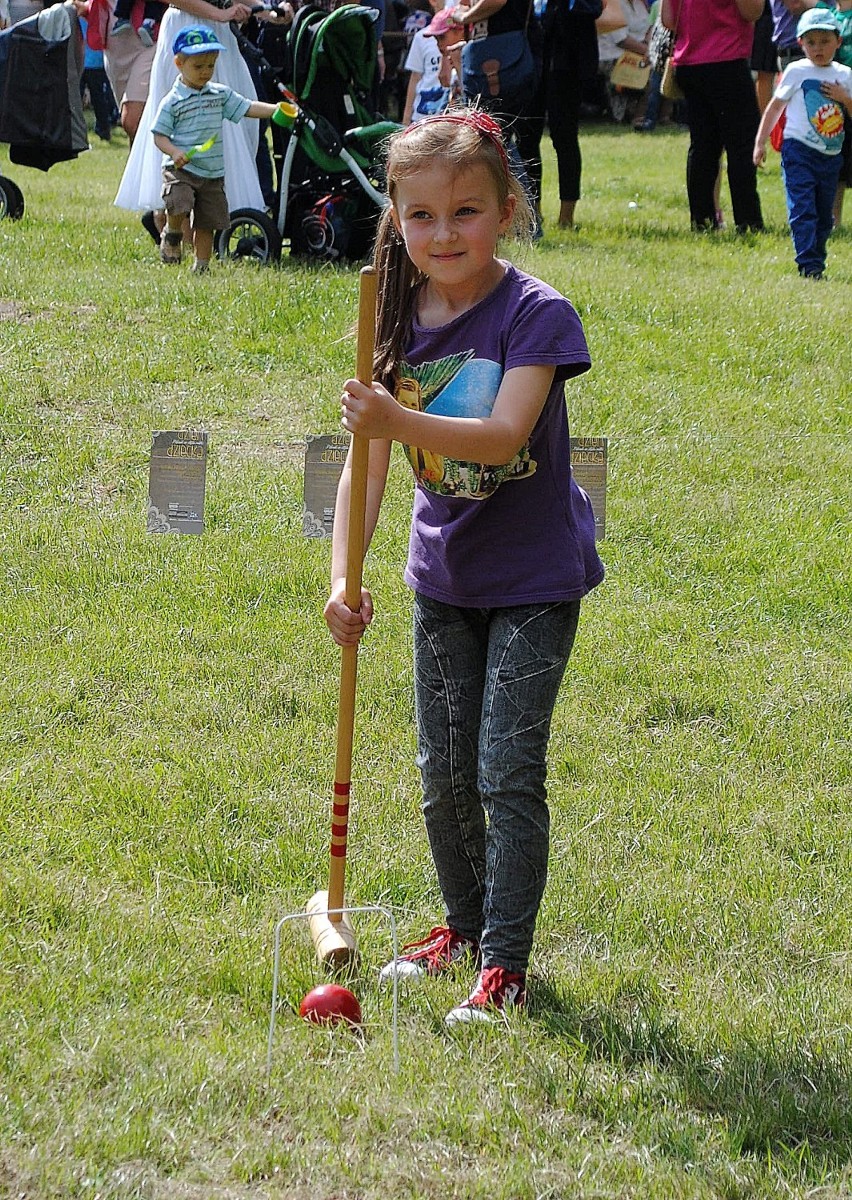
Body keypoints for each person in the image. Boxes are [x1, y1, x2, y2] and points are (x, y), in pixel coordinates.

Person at [323, 110, 604, 1026]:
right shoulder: (393, 317)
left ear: (508, 209)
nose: (444, 235)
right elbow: (364, 473)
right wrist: (343, 576)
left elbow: (501, 434)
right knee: (443, 769)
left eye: (467, 212)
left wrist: (392, 419)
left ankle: (508, 965)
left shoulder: (537, 316)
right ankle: (462, 926)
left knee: (504, 768)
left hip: (533, 577)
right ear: (396, 219)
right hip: (441, 577)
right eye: (421, 217)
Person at [114, 0, 276, 217]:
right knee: (185, 120)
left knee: (233, 120)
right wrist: (219, 13)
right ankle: (173, 215)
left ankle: (224, 213)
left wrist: (267, 10)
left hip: (219, 32)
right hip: (187, 28)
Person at [152, 25, 284, 271]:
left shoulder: (219, 94)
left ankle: (201, 265)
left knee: (207, 221)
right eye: (198, 67)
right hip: (181, 167)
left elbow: (247, 107)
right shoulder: (173, 101)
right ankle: (172, 232)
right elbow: (159, 135)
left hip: (212, 173)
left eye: (211, 66)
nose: (205, 72)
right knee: (179, 201)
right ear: (179, 64)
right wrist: (173, 152)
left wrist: (276, 109)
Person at [754, 8, 852, 275]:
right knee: (802, 207)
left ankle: (816, 257)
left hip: (830, 153)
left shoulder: (844, 75)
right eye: (811, 42)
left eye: (824, 41)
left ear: (838, 41)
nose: (818, 49)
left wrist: (845, 98)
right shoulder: (796, 71)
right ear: (800, 43)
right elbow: (775, 107)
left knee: (823, 215)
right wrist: (760, 142)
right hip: (798, 149)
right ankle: (808, 265)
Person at [661, 0, 766, 232]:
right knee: (741, 145)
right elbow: (752, 11)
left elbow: (668, 20)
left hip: (689, 62)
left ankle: (702, 220)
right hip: (727, 59)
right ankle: (748, 221)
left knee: (702, 146)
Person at [542, 0, 601, 227]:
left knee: (565, 138)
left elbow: (595, 8)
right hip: (533, 56)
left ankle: (566, 216)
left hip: (567, 64)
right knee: (527, 139)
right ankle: (532, 213)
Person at [402, 4, 464, 123]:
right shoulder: (420, 38)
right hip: (425, 116)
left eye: (442, 37)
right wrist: (406, 119)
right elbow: (415, 77)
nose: (438, 44)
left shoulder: (469, 58)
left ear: (459, 30)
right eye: (436, 39)